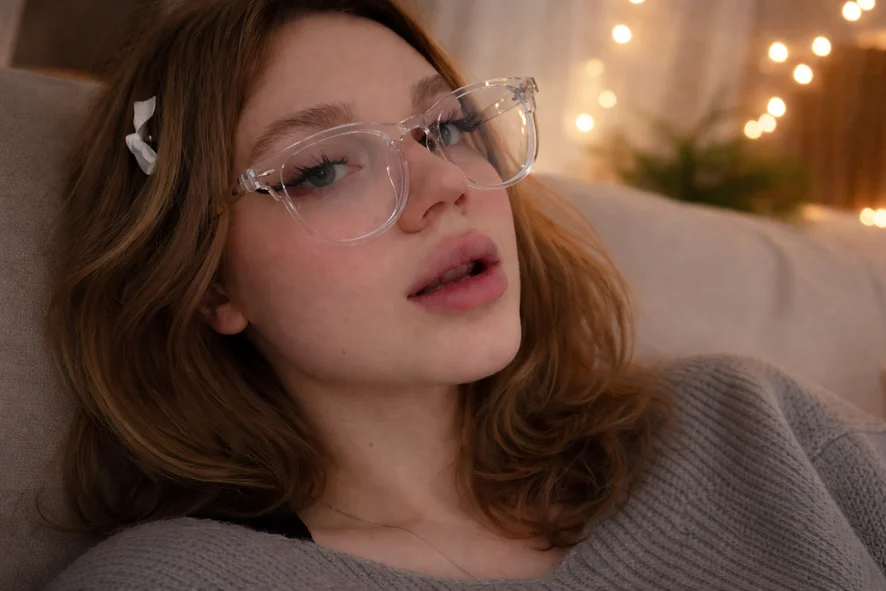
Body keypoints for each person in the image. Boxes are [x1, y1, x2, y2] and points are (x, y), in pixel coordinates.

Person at [44, 0, 886, 589]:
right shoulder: (168, 579)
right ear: (209, 282)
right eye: (325, 168)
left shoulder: (753, 428)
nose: (446, 183)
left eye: (447, 128)